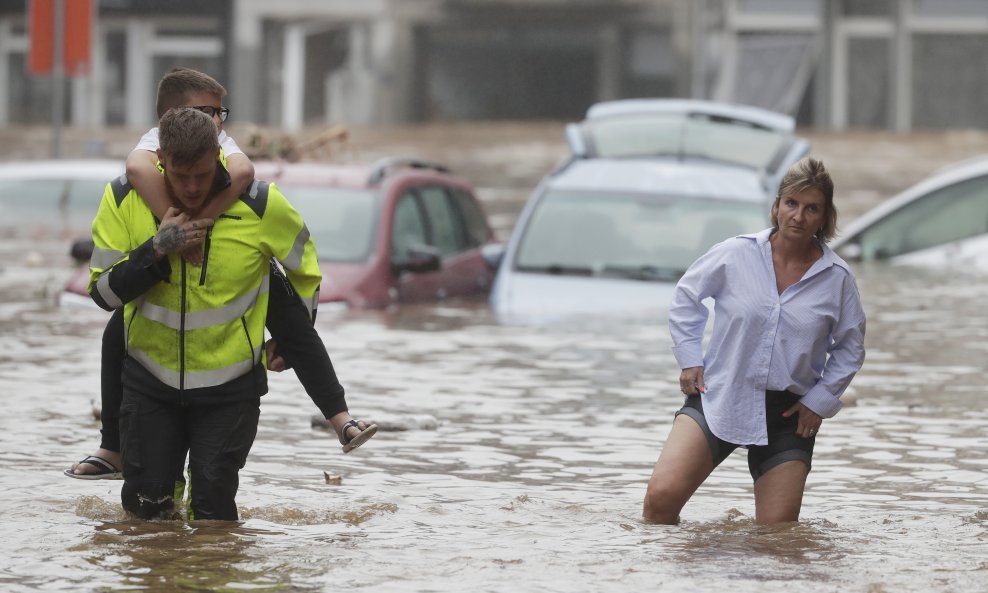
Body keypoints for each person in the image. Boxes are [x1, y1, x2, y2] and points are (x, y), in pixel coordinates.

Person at [66, 68, 374, 482]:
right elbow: (137, 175)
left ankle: (339, 416)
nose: (216, 120)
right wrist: (163, 242)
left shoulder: (251, 189)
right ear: (169, 124)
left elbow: (247, 181)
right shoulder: (130, 184)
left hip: (230, 386)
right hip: (151, 380)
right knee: (148, 514)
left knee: (289, 315)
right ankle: (112, 446)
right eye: (206, 110)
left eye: (219, 112)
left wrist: (206, 219)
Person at [642, 157, 866, 525]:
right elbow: (686, 298)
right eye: (791, 203)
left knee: (777, 540)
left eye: (812, 209)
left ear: (824, 218)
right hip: (720, 394)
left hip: (788, 416)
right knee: (659, 502)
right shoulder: (735, 254)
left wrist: (820, 401)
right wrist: (690, 358)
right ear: (777, 205)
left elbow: (850, 347)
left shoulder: (837, 279)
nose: (798, 216)